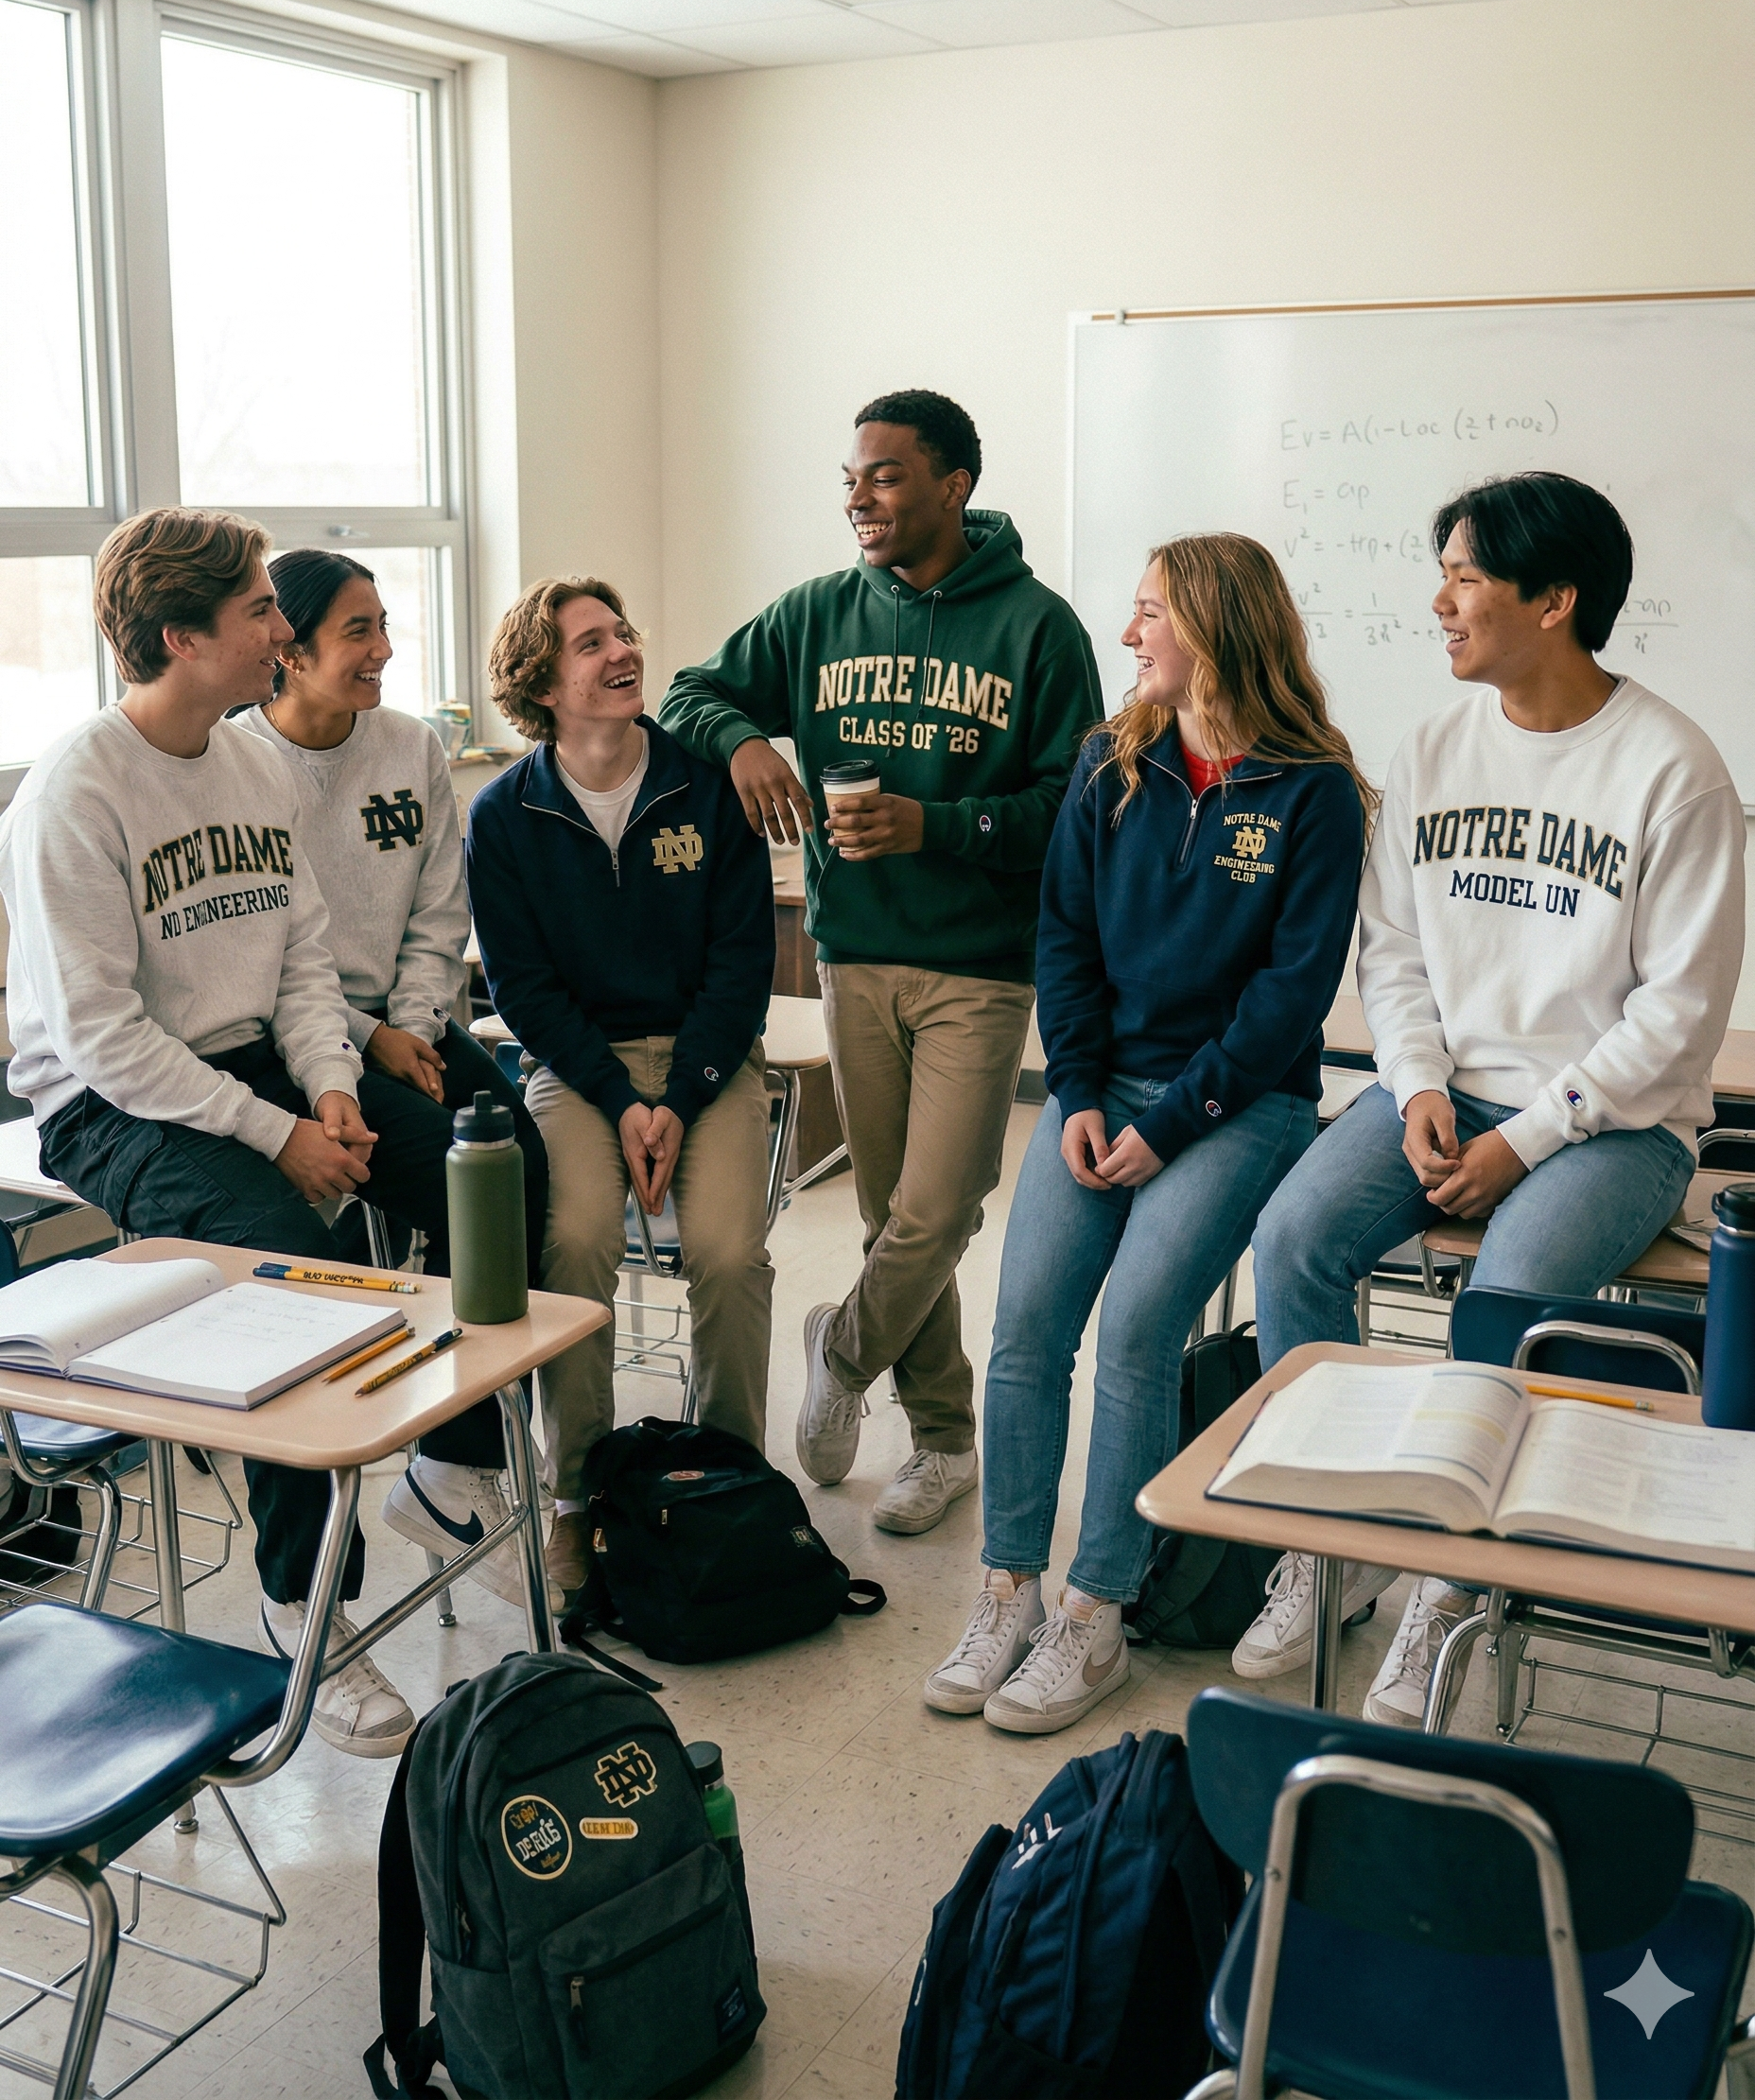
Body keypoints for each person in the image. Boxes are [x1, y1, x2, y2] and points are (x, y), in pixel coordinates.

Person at [1244, 471, 1745, 1725]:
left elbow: (1677, 1018)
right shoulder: (1430, 752)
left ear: (1556, 597)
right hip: (1445, 1092)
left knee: (1505, 1297)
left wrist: (1524, 1140)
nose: (1440, 601)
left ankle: (1444, 1597)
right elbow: (1395, 951)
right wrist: (1415, 1086)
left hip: (1613, 1130)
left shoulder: (1674, 771)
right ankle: (1330, 1551)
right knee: (1292, 1240)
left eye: (1466, 576)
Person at [0, 508, 477, 1757]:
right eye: (262, 611)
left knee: (479, 1160)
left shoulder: (252, 763)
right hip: (113, 1105)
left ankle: (459, 1467)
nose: (282, 628)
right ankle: (305, 1607)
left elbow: (305, 964)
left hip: (255, 1062)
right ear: (181, 637)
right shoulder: (75, 794)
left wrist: (329, 1091)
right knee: (294, 1275)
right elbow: (102, 1040)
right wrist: (278, 1140)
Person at [923, 535, 1369, 1732]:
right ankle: (1008, 1585)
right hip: (1094, 1092)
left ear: (1214, 627)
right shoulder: (1106, 764)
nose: (1130, 636)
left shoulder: (1312, 792)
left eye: (1147, 613)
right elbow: (1060, 939)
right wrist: (1072, 1095)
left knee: (1132, 1331)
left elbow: (1288, 998)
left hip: (1241, 1104)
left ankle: (1094, 1612)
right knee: (1021, 1329)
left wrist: (1167, 1124)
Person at [660, 390, 1103, 1534]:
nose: (859, 496)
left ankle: (843, 1348)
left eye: (887, 476)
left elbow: (1071, 806)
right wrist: (748, 742)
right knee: (885, 1211)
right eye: (850, 477)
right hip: (852, 956)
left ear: (953, 486)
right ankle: (945, 1439)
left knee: (939, 1207)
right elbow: (689, 692)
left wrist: (935, 827)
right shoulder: (815, 614)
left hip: (979, 965)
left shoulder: (1038, 629)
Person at [239, 547, 549, 1608]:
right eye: (357, 632)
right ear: (288, 651)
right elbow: (278, 953)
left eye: (383, 625)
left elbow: (436, 913)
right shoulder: (242, 767)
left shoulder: (411, 747)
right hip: (301, 1042)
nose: (381, 650)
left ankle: (452, 1465)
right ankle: (401, 1482)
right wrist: (370, 1039)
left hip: (409, 1023)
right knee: (443, 1177)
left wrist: (413, 1025)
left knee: (514, 1166)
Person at [467, 577, 775, 1606]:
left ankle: (730, 1479)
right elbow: (521, 988)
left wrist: (677, 1099)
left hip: (706, 1063)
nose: (619, 653)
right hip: (577, 1066)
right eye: (588, 644)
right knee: (576, 1240)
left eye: (622, 633)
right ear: (540, 685)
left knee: (730, 1254)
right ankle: (573, 1498)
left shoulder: (700, 782)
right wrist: (616, 1095)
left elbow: (741, 964)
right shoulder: (504, 815)